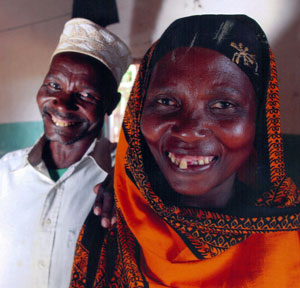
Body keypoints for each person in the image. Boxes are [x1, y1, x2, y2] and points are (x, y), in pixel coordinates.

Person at [70, 15, 300, 287]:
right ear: (137, 112)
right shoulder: (112, 223)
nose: (189, 129)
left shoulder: (288, 240)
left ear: (259, 123)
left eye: (224, 105)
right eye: (166, 101)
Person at [0, 18, 131, 288]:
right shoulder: (6, 173)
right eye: (54, 86)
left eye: (85, 95)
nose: (62, 104)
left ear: (111, 103)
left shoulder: (125, 179)